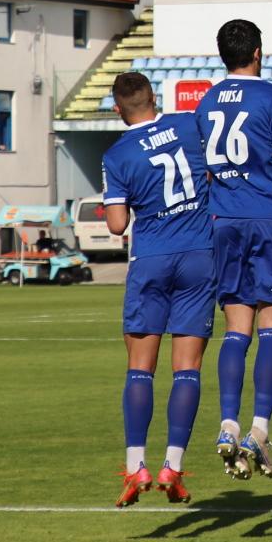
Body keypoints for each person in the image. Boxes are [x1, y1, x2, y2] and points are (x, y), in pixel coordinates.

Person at [101, 71, 214, 507]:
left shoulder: (117, 155)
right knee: (187, 368)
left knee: (140, 369)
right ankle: (173, 465)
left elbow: (116, 225)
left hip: (151, 259)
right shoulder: (188, 125)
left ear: (117, 109)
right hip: (198, 255)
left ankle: (136, 467)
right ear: (155, 97)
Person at [193, 19, 272, 481]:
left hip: (225, 219)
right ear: (258, 51)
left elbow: (210, 170)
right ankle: (258, 428)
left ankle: (227, 423)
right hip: (269, 217)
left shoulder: (207, 100)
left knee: (237, 327)